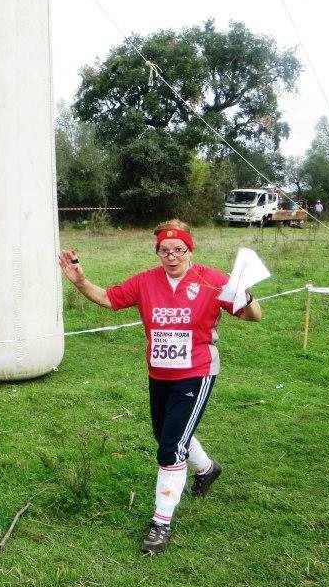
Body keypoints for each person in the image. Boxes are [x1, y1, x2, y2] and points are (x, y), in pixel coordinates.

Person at [58, 219, 262, 554]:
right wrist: (80, 281)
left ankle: (160, 524)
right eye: (164, 250)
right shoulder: (145, 281)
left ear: (189, 249)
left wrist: (245, 294)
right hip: (160, 374)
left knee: (169, 449)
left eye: (178, 249)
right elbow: (109, 299)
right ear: (158, 252)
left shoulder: (212, 281)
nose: (171, 256)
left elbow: (255, 315)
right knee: (168, 434)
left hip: (197, 371)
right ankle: (208, 469)